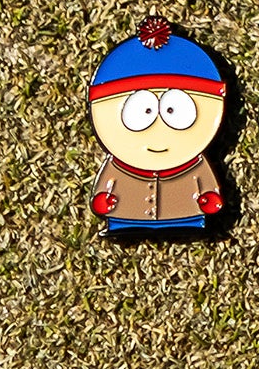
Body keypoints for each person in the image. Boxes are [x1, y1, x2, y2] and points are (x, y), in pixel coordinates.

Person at [87, 18, 229, 236]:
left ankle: (186, 223)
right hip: (126, 217)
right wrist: (103, 200)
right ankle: (125, 225)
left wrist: (209, 198)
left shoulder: (195, 163)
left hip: (187, 216)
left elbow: (208, 187)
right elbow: (105, 187)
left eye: (175, 112)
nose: (159, 131)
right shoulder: (118, 165)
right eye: (142, 113)